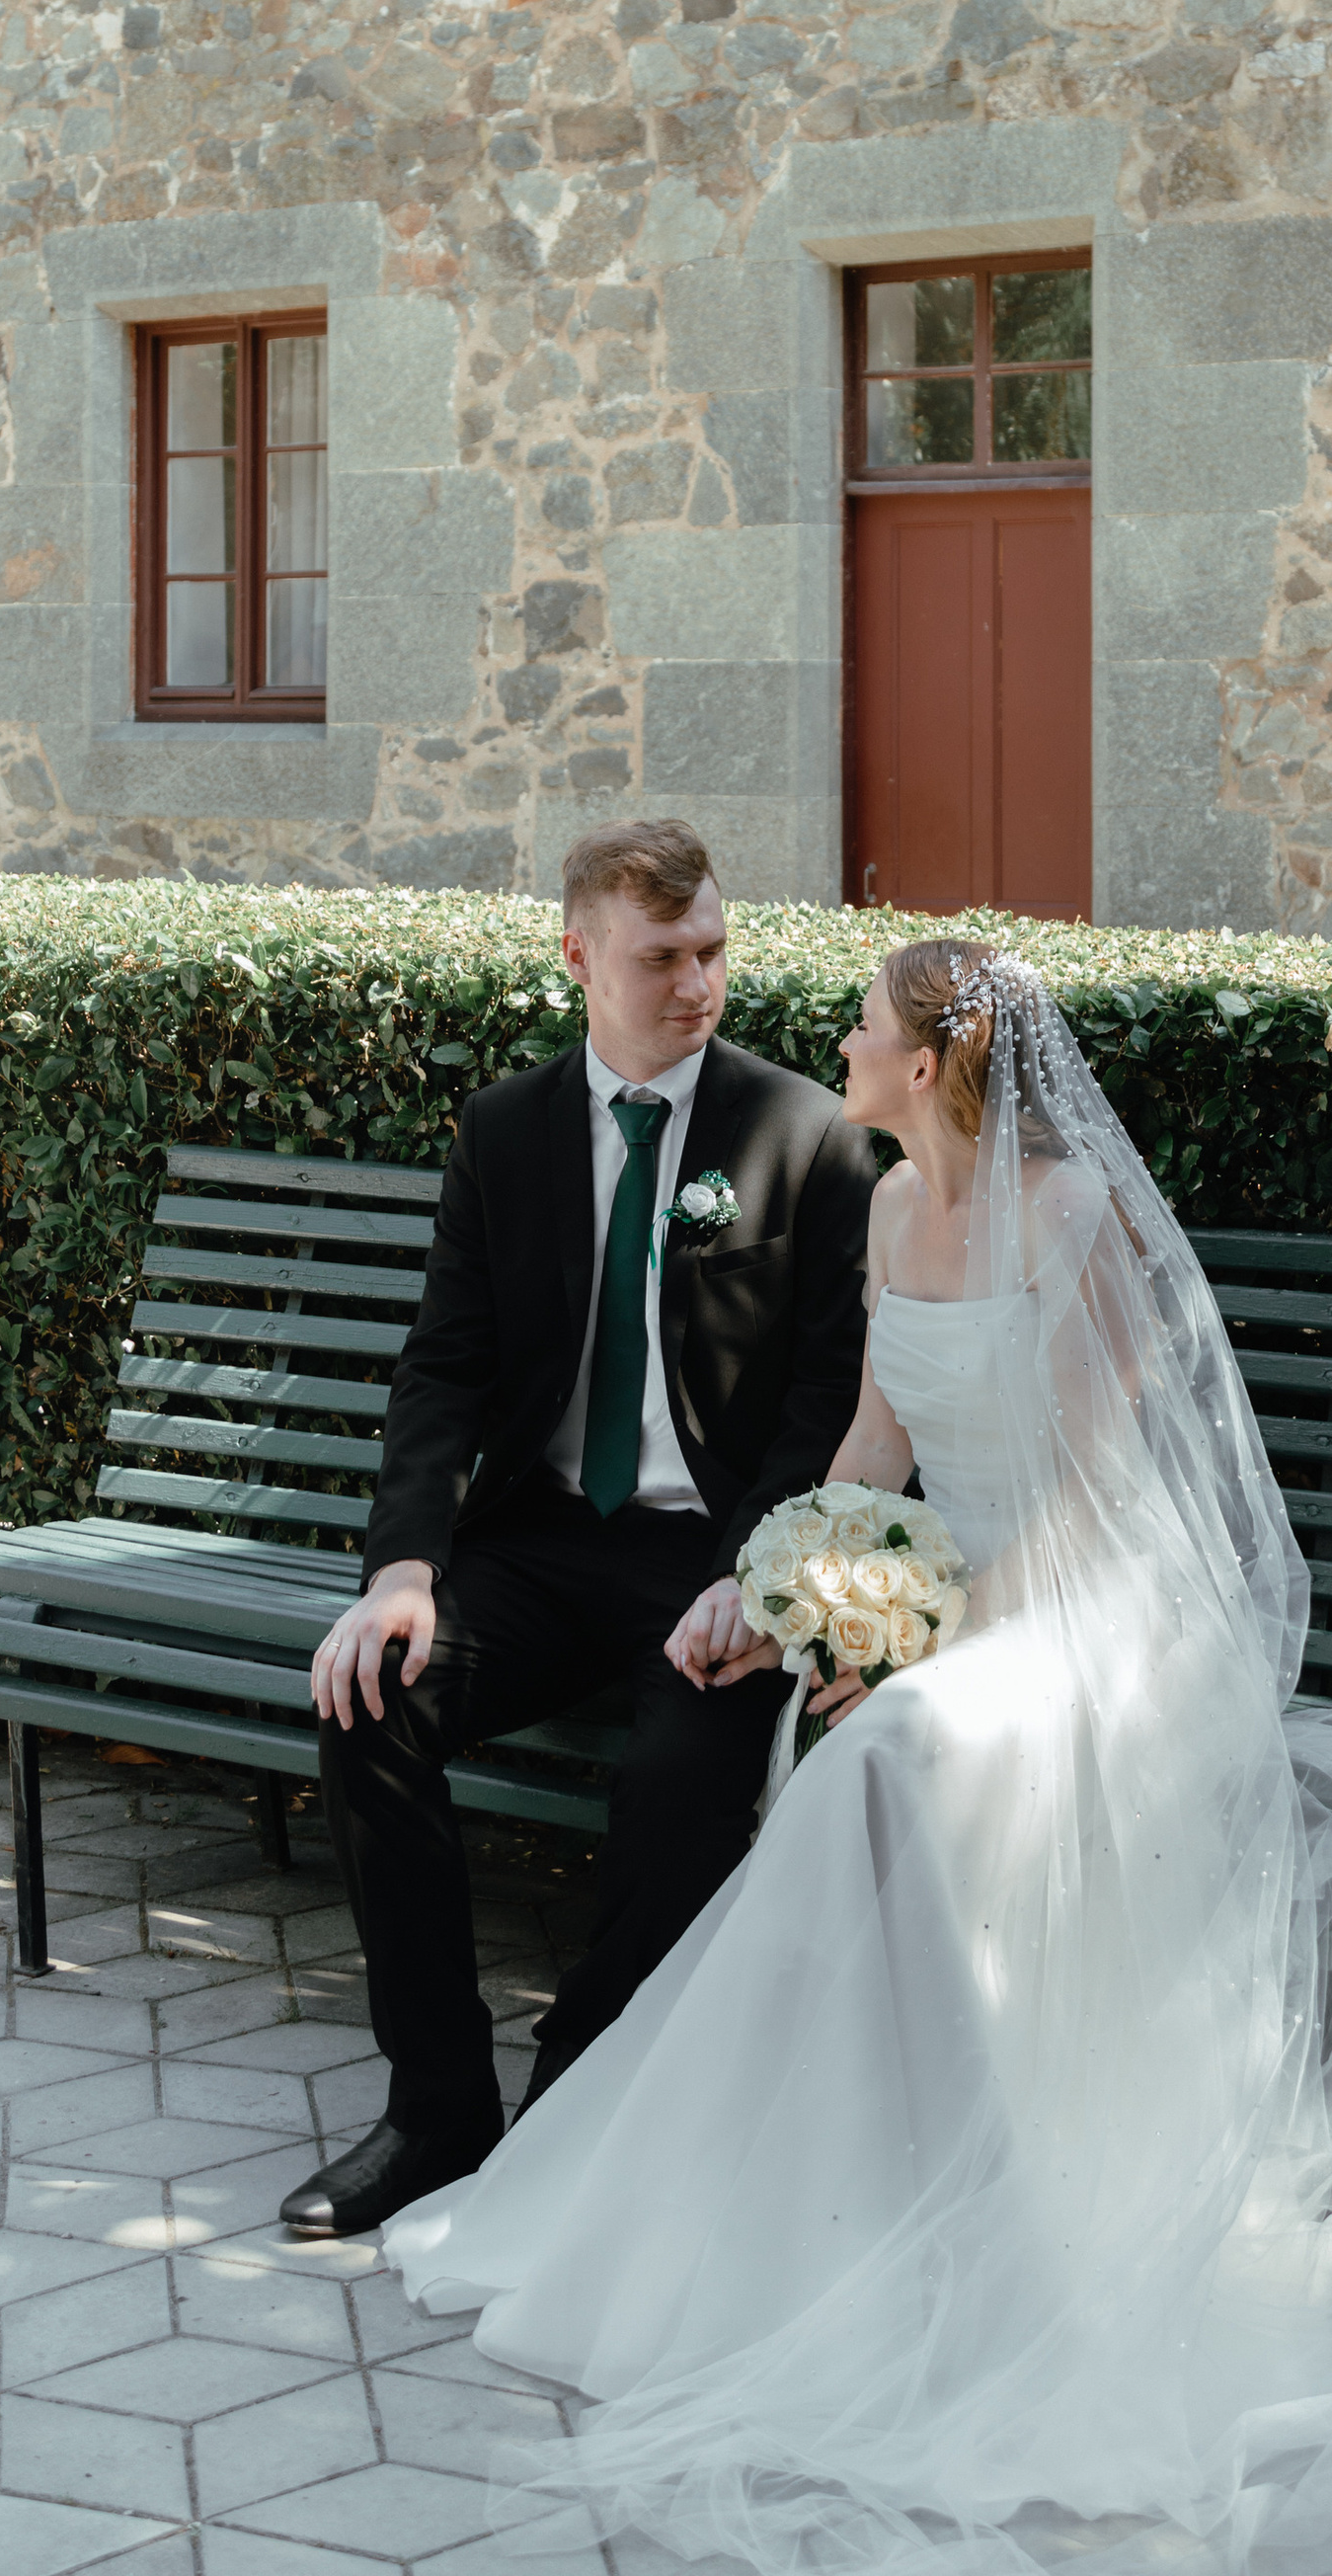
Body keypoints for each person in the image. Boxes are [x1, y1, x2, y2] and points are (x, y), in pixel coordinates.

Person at [381, 934, 1332, 2576]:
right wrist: (789, 1594)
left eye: (860, 1028)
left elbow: (1077, 1508)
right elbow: (871, 1446)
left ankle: (987, 2236)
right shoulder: (887, 1205)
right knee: (860, 1753)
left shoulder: (1071, 1218)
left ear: (926, 1065)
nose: (837, 1046)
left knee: (890, 1760)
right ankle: (825, 2215)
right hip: (959, 1603)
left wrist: (900, 1644)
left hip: (1097, 1618)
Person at [279, 816, 874, 2241]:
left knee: (682, 1785)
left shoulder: (805, 1135)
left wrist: (763, 1574)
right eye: (662, 956)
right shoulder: (508, 1130)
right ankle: (436, 2117)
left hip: (717, 1558)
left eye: (713, 950)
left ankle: (568, 2111)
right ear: (579, 959)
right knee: (369, 1702)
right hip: (543, 1540)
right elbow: (446, 1367)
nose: (697, 982)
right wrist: (406, 1570)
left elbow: (829, 1397)